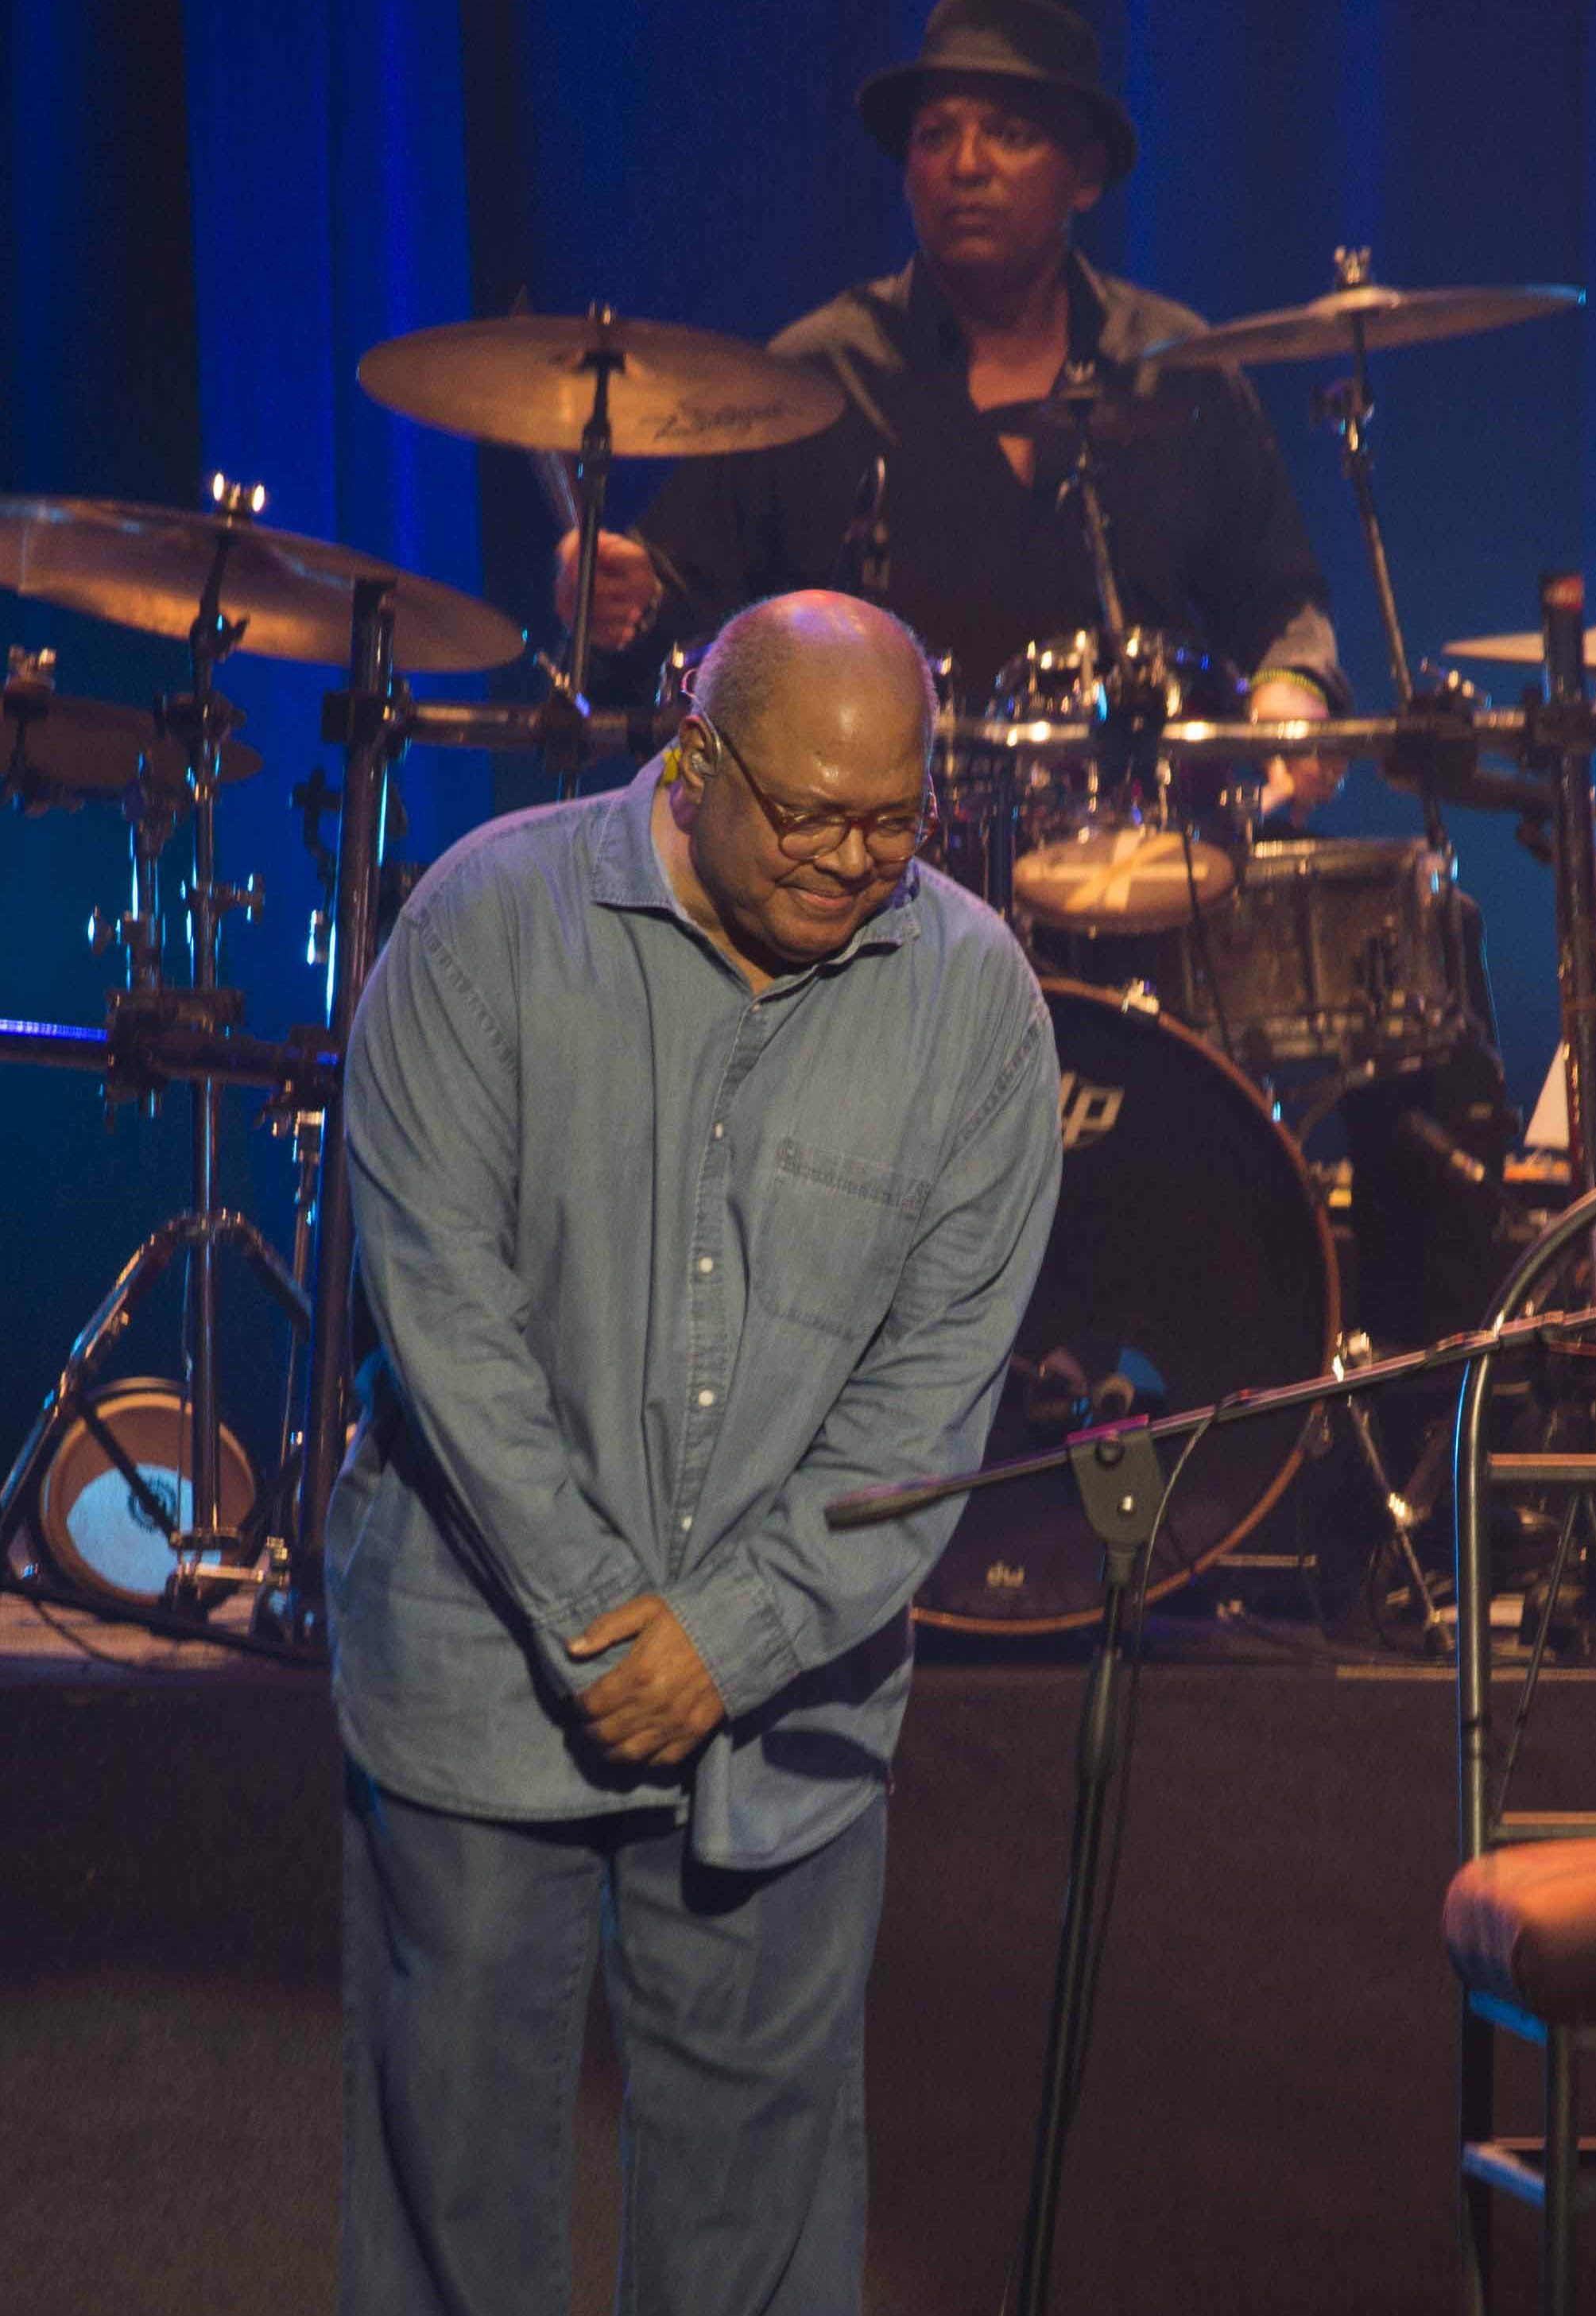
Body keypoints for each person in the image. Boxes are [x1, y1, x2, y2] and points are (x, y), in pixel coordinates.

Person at [327, 591, 1063, 2315]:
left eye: (895, 821)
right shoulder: (484, 921)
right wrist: (609, 1621)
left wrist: (727, 1639)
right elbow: (443, 1311)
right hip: (477, 1666)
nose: (848, 859)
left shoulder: (976, 1006)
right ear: (692, 749)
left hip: (787, 1705)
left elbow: (934, 1394)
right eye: (806, 814)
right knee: (456, 2208)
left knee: (762, 2227)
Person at [556, 0, 1350, 814]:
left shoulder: (1179, 373)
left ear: (1083, 175)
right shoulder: (815, 378)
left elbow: (1280, 599)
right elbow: (674, 618)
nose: (966, 165)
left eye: (1008, 134)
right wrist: (620, 596)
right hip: (868, 884)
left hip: (1145, 866)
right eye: (936, 137)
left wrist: (1294, 689)